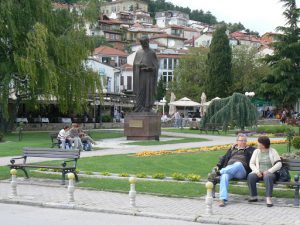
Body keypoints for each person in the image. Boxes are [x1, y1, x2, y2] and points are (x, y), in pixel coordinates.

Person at [208, 133, 255, 207]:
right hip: (229, 170)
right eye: (241, 140)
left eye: (244, 140)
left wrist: (249, 148)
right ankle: (222, 199)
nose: (243, 142)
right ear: (237, 141)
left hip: (241, 171)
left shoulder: (251, 149)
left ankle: (219, 172)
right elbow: (224, 158)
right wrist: (218, 165)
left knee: (238, 164)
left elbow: (257, 155)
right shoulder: (232, 149)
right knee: (224, 176)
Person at [248, 136, 282, 207]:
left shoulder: (273, 151)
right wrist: (257, 171)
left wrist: (269, 171)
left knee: (267, 177)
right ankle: (253, 196)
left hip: (270, 174)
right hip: (259, 173)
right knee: (251, 176)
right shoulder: (256, 151)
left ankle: (268, 198)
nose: (257, 143)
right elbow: (251, 163)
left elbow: (279, 164)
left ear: (263, 145)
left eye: (258, 142)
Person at [133, 36, 159, 112]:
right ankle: (139, 107)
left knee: (148, 91)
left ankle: (147, 107)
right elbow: (135, 64)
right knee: (140, 91)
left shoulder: (152, 52)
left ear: (148, 42)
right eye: (142, 43)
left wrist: (151, 68)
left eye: (145, 43)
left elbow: (156, 65)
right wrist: (140, 65)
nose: (144, 45)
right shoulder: (139, 52)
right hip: (140, 76)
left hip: (149, 76)